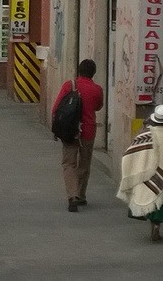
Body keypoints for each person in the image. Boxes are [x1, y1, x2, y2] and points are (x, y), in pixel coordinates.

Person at [117, 104, 163, 241]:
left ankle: (153, 225)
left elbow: (131, 152)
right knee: (162, 199)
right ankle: (157, 226)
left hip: (147, 174)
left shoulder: (146, 134)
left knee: (150, 197)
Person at [52, 59, 103, 212]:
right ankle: (81, 195)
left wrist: (56, 129)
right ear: (93, 73)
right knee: (84, 164)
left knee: (69, 163)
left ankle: (72, 195)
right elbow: (99, 107)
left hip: (70, 131)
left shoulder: (70, 85)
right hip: (88, 131)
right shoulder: (97, 89)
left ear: (78, 71)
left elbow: (56, 108)